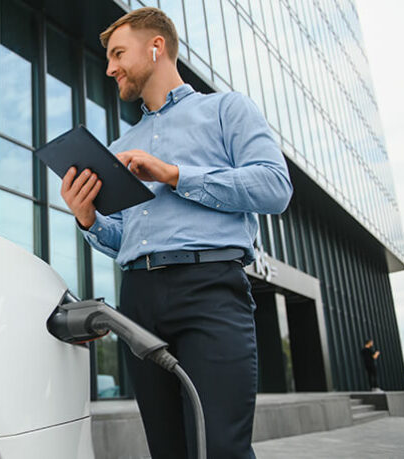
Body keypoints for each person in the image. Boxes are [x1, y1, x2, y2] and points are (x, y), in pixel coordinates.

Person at [60, 7, 292, 459]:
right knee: (168, 451)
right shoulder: (117, 148)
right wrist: (88, 219)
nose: (110, 68)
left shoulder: (226, 109)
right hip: (139, 299)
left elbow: (275, 187)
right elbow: (122, 237)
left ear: (156, 46)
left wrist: (175, 175)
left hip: (210, 291)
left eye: (117, 54)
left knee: (219, 448)